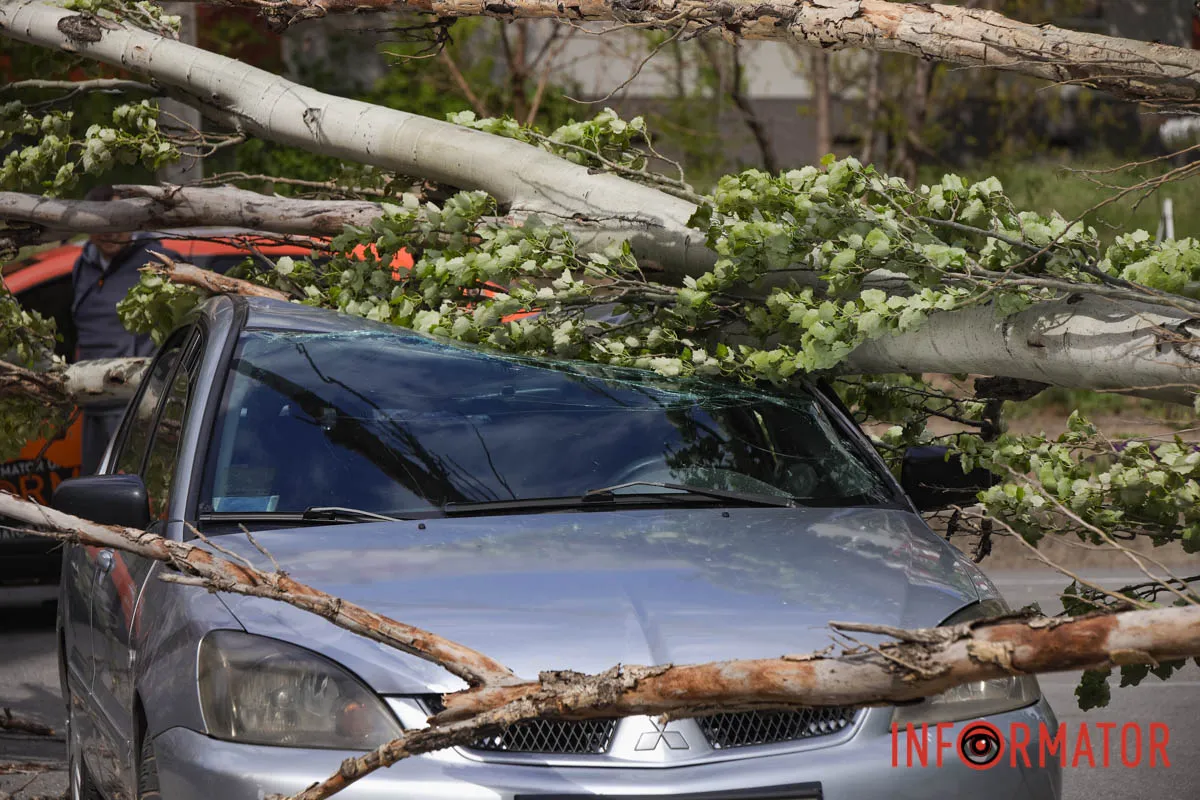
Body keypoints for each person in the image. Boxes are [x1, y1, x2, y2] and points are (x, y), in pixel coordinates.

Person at [72, 185, 181, 475]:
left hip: (135, 407)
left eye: (119, 222)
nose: (111, 231)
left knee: (128, 494)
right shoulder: (82, 266)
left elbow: (181, 329)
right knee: (94, 495)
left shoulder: (156, 261)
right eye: (102, 223)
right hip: (91, 403)